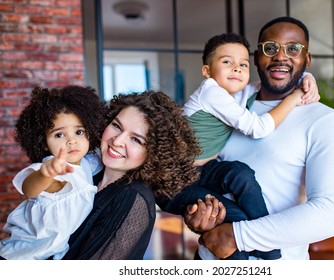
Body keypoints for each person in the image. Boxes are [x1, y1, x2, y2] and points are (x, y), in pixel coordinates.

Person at [184, 16, 334, 260]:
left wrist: (237, 235)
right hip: (206, 258)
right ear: (256, 58)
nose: (281, 56)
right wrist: (197, 215)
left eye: (293, 49)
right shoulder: (231, 103)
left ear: (307, 59)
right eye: (270, 48)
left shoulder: (325, 121)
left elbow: (329, 215)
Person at [158, 33, 319, 260]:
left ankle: (265, 245)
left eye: (243, 64)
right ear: (207, 72)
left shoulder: (236, 96)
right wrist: (292, 99)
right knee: (231, 218)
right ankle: (264, 251)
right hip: (173, 182)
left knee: (240, 173)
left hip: (201, 171)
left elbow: (277, 80)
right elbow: (259, 127)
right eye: (227, 62)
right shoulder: (211, 91)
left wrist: (306, 76)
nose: (237, 69)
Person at [62, 91, 201, 260]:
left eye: (136, 139)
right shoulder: (87, 174)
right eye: (117, 126)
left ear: (155, 153)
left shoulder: (132, 197)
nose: (118, 140)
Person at [0, 85, 106, 260]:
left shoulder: (88, 163)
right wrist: (45, 174)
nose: (72, 141)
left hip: (47, 256)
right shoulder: (52, 167)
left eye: (79, 132)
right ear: (43, 142)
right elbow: (29, 189)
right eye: (59, 135)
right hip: (18, 256)